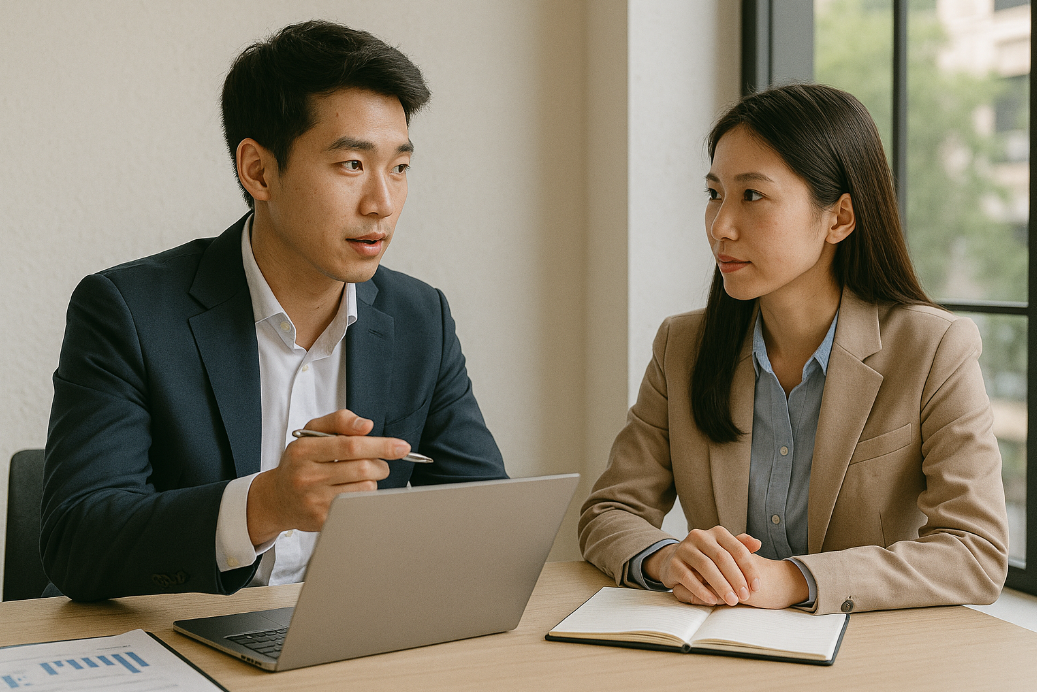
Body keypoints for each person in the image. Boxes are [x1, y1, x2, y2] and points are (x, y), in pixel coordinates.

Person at [42, 20, 507, 602]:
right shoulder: (128, 310)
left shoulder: (421, 318)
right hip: (173, 645)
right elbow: (76, 543)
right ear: (258, 171)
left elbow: (484, 518)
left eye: (400, 167)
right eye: (352, 165)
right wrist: (264, 505)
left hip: (337, 644)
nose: (383, 203)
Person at [578, 83, 1009, 615]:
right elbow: (608, 512)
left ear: (840, 218)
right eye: (715, 194)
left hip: (873, 661)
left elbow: (976, 553)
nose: (721, 227)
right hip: (722, 652)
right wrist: (666, 559)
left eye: (752, 196)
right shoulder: (682, 346)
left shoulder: (932, 349)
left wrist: (794, 580)